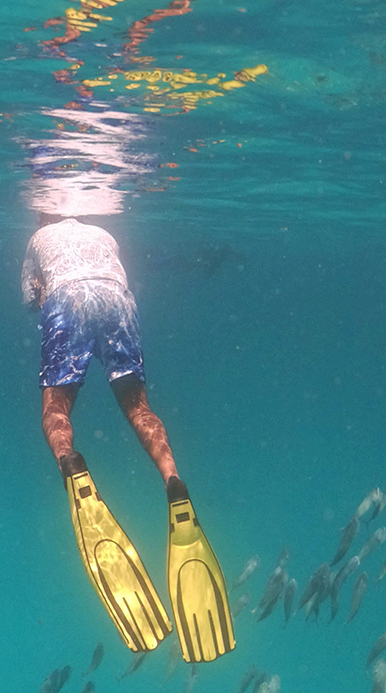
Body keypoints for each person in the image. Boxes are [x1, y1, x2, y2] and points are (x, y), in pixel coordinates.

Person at [22, 215, 234, 663]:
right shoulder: (105, 233)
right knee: (138, 407)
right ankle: (171, 477)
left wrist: (42, 296)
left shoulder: (38, 236)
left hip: (68, 299)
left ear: (44, 213)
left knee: (56, 409)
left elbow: (31, 300)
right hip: (116, 300)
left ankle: (72, 468)